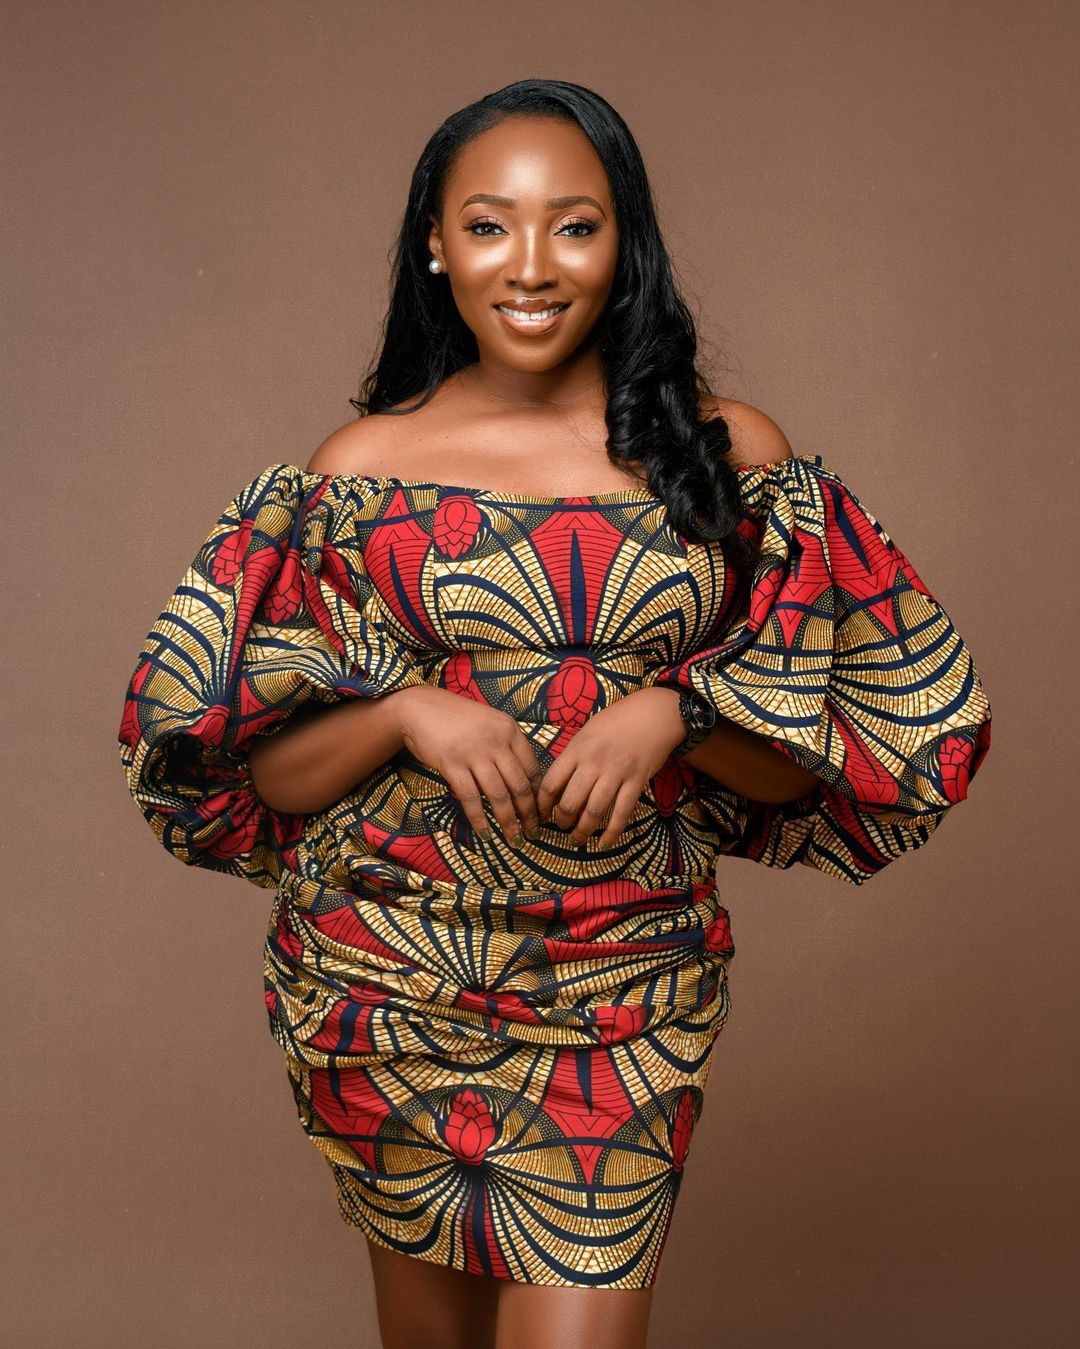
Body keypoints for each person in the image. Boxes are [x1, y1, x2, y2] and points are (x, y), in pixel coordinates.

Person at [116, 79, 993, 1349]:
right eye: (489, 225)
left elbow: (810, 768)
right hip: (389, 979)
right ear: (436, 243)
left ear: (625, 243)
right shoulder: (355, 473)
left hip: (624, 985)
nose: (531, 265)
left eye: (574, 226)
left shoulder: (728, 454)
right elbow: (271, 780)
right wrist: (407, 710)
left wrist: (679, 712)